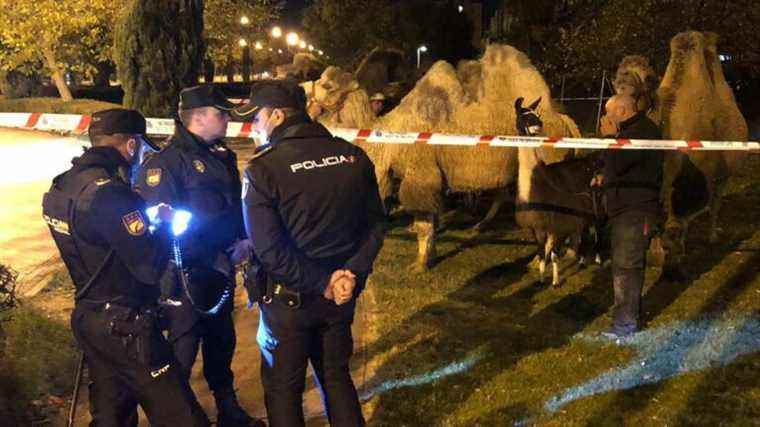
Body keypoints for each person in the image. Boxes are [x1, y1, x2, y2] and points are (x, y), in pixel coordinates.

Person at [42, 108, 209, 426]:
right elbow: (148, 268)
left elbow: (96, 239)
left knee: (111, 416)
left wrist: (140, 219)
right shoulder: (112, 194)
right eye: (142, 148)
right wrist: (160, 229)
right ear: (131, 146)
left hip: (90, 319)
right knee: (182, 415)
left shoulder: (62, 186)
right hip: (128, 327)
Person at [234, 80, 387, 427]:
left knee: (283, 391)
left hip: (289, 302)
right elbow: (376, 224)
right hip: (340, 297)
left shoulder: (262, 168)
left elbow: (270, 251)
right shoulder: (352, 155)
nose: (254, 126)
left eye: (256, 118)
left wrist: (323, 281)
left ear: (275, 116)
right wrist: (350, 274)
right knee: (336, 378)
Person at [134, 85, 263, 427]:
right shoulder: (165, 163)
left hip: (220, 267)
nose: (227, 122)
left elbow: (232, 207)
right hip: (184, 274)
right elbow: (156, 222)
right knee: (183, 349)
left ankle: (228, 408)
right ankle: (179, 417)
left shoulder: (220, 156)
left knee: (222, 342)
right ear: (199, 116)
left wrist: (242, 241)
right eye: (221, 115)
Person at [594, 94, 664, 339]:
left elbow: (616, 163)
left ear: (622, 111)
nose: (605, 118)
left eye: (608, 112)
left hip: (636, 210)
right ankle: (628, 317)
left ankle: (625, 326)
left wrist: (608, 138)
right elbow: (607, 163)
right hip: (625, 209)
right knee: (625, 264)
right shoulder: (631, 130)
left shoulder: (643, 132)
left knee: (627, 266)